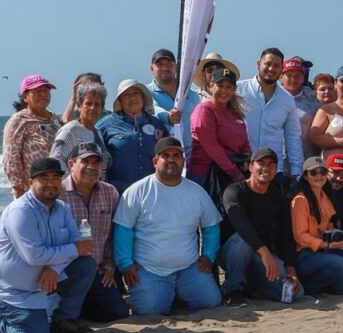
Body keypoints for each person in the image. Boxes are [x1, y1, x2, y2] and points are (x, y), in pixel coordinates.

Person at [0, 157, 96, 333]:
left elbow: (78, 247)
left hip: (43, 278)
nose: (51, 183)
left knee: (85, 264)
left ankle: (63, 319)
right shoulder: (20, 211)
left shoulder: (63, 208)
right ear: (30, 182)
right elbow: (35, 256)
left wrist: (53, 269)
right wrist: (72, 251)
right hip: (11, 290)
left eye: (56, 178)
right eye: (44, 178)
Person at [112, 138, 222, 316]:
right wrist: (126, 265)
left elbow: (211, 226)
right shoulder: (137, 191)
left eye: (176, 156)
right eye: (165, 155)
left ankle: (176, 292)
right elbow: (123, 230)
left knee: (210, 302)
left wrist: (208, 256)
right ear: (155, 161)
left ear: (183, 161)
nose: (171, 160)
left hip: (189, 268)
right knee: (150, 311)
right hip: (149, 269)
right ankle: (165, 293)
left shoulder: (197, 192)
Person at [219, 148, 302, 304]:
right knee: (243, 241)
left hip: (261, 256)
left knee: (293, 294)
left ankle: (252, 285)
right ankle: (232, 290)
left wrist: (291, 268)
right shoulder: (234, 191)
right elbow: (242, 226)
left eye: (271, 164)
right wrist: (264, 253)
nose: (266, 168)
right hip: (232, 253)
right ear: (250, 167)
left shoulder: (278, 196)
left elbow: (286, 233)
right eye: (261, 163)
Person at [58, 143, 128, 322]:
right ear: (71, 164)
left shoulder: (109, 192)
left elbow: (113, 235)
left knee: (117, 312)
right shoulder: (57, 194)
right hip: (66, 272)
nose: (91, 167)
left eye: (96, 162)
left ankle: (81, 305)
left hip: (98, 272)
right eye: (85, 161)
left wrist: (110, 265)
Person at [237, 48, 304, 183]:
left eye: (276, 65)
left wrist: (297, 172)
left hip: (273, 171)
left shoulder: (287, 99)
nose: (271, 68)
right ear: (258, 64)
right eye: (267, 64)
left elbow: (293, 137)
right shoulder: (238, 90)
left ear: (281, 69)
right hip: (241, 166)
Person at [96, 79, 168, 193]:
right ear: (120, 100)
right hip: (118, 192)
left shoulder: (157, 124)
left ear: (143, 98)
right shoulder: (105, 125)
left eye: (136, 93)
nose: (132, 98)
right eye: (126, 95)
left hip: (153, 190)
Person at [187, 66, 251, 191]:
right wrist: (234, 172)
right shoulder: (204, 110)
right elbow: (211, 146)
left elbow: (244, 142)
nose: (224, 90)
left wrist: (247, 158)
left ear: (234, 90)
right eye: (220, 85)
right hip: (205, 176)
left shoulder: (235, 114)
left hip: (229, 175)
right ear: (210, 87)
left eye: (228, 87)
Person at [2, 75, 63, 199]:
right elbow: (11, 158)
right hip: (31, 190)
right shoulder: (18, 121)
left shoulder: (54, 118)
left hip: (55, 188)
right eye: (37, 91)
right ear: (25, 97)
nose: (43, 94)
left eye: (46, 90)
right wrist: (18, 190)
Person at [147, 48, 200, 163]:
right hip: (162, 158)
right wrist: (167, 116)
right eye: (160, 64)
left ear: (176, 68)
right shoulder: (145, 92)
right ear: (151, 69)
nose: (165, 68)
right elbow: (151, 108)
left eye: (169, 64)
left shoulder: (192, 95)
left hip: (192, 159)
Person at [50, 80, 112, 176]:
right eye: (88, 103)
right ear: (79, 106)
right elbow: (56, 161)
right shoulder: (71, 130)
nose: (92, 108)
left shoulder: (98, 133)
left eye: (97, 104)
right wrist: (72, 184)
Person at [279, 56, 321, 160]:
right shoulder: (269, 97)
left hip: (307, 162)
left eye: (297, 75)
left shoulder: (315, 100)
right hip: (276, 164)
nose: (293, 79)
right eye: (289, 75)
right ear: (281, 77)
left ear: (303, 78)